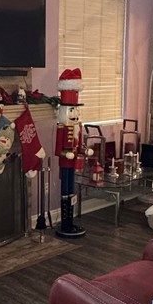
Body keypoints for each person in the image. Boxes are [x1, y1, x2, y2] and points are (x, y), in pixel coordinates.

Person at [54, 68, 93, 238]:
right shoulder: (61, 128)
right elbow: (57, 149)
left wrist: (85, 150)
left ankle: (71, 221)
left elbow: (79, 145)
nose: (75, 114)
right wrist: (65, 154)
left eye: (76, 111)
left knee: (72, 191)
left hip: (75, 163)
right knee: (65, 191)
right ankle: (65, 223)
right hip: (66, 163)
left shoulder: (79, 128)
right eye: (72, 111)